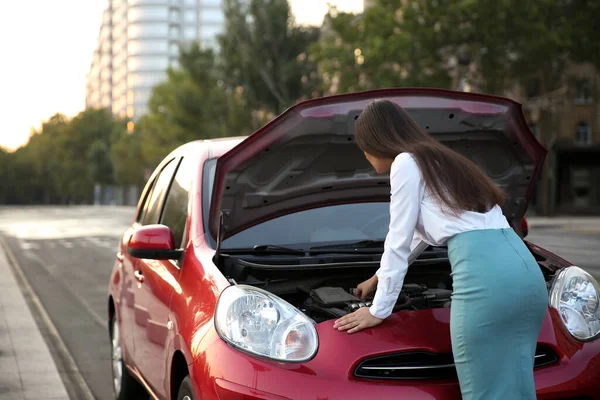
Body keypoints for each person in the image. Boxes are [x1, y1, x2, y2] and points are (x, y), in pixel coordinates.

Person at [332, 100, 549, 400]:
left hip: (486, 281)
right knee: (518, 390)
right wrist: (379, 278)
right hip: (525, 274)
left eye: (363, 145)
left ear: (375, 140)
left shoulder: (405, 163)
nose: (365, 154)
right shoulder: (440, 159)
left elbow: (398, 237)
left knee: (484, 393)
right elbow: (419, 236)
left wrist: (379, 309)